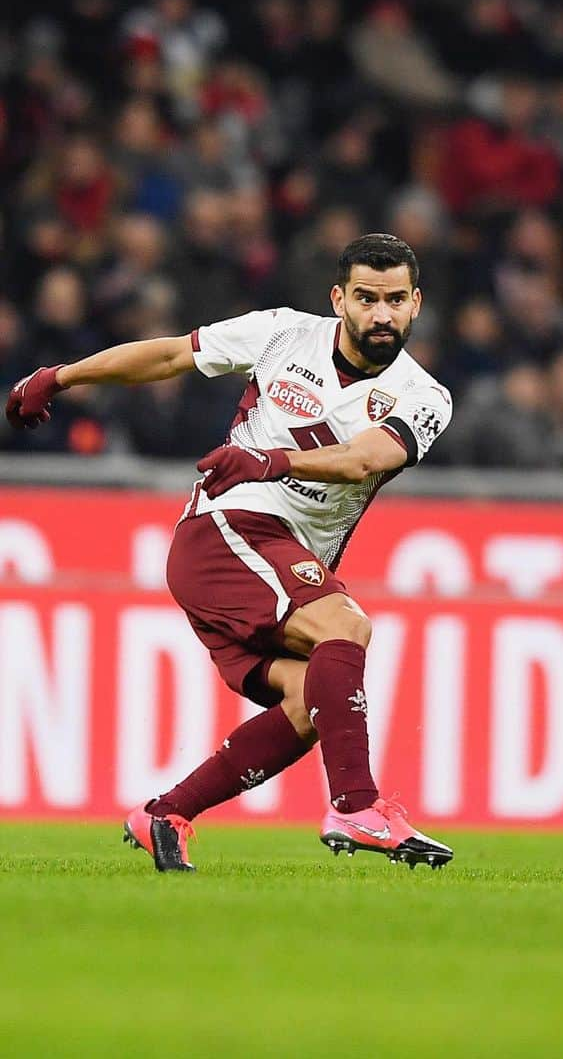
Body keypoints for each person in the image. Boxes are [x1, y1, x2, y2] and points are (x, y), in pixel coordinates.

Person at [5, 233, 454, 873]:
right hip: (223, 532)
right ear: (339, 300)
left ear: (415, 304)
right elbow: (167, 358)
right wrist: (62, 375)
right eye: (365, 298)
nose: (380, 315)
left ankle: (168, 812)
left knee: (309, 702)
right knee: (345, 625)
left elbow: (365, 457)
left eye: (393, 300)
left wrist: (271, 460)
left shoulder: (425, 397)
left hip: (278, 556)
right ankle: (357, 805)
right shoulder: (282, 334)